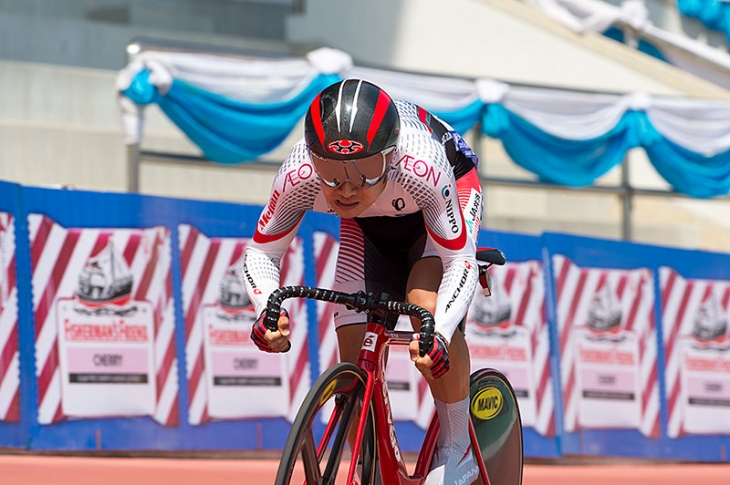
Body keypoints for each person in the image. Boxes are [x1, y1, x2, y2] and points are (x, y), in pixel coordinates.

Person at [243, 79, 483, 485]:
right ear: (314, 161)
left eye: (364, 173)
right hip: (368, 220)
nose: (348, 187)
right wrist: (267, 308)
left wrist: (439, 332)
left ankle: (457, 447)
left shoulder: (421, 166)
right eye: (331, 176)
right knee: (355, 347)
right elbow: (262, 252)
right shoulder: (298, 174)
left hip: (444, 196)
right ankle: (368, 460)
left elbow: (459, 260)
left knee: (424, 305)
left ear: (390, 157)